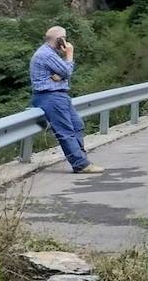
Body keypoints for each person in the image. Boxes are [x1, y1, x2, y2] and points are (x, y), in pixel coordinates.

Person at [30, 26, 104, 174]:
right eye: (64, 38)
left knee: (77, 125)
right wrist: (69, 55)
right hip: (50, 96)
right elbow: (67, 72)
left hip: (60, 95)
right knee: (66, 131)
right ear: (60, 40)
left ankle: (82, 159)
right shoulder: (46, 54)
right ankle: (80, 164)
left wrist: (60, 75)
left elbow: (62, 74)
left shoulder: (51, 54)